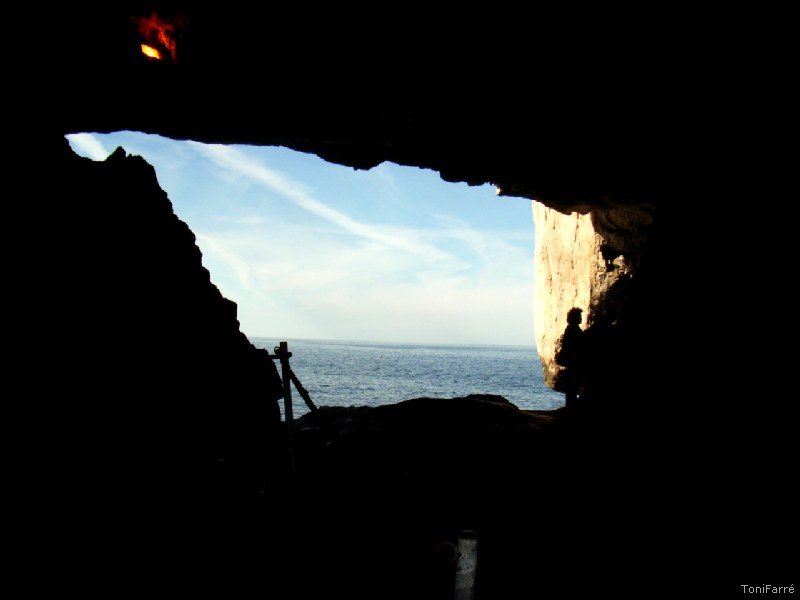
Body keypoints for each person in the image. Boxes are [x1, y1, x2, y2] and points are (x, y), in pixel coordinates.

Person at [556, 308, 585, 408]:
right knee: (573, 388)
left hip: (571, 363)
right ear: (575, 318)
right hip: (574, 363)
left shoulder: (570, 329)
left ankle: (571, 408)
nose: (581, 318)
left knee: (571, 389)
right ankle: (571, 409)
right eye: (579, 316)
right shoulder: (574, 330)